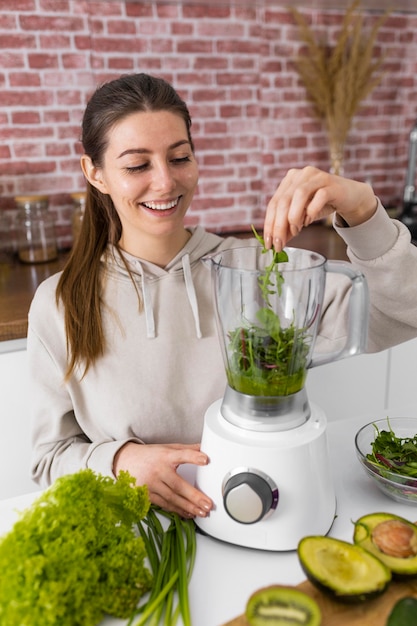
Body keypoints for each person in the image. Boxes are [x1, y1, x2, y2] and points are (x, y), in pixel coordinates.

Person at [28, 73, 417, 520]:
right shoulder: (59, 302)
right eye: (137, 166)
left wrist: (363, 211)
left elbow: (405, 312)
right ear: (94, 173)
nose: (165, 183)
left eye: (180, 157)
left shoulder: (254, 270)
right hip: (135, 527)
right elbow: (48, 459)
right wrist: (118, 462)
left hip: (263, 516)